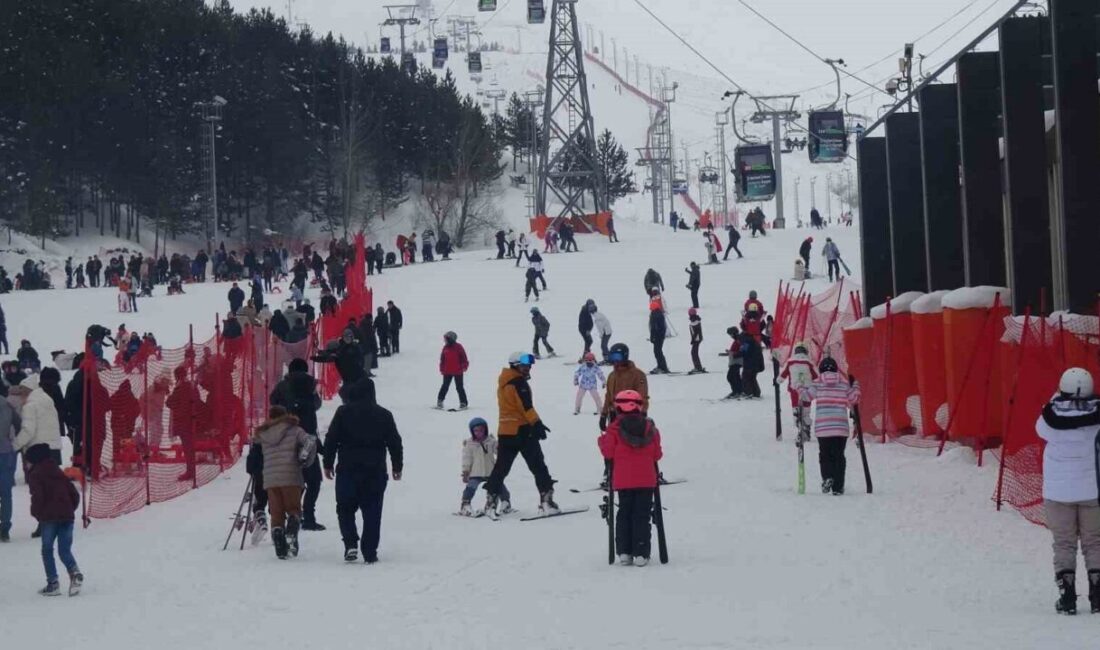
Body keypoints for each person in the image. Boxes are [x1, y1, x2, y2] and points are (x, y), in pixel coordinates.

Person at [1035, 368, 1100, 615]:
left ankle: (1068, 597)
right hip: (1093, 490)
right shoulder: (1096, 420)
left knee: (1064, 543)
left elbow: (1041, 426)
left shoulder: (1048, 421)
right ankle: (1097, 594)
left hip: (1058, 493)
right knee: (1095, 542)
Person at [323, 378, 403, 563]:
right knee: (373, 511)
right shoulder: (384, 415)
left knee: (344, 508)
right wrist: (397, 466)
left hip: (347, 468)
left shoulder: (343, 412)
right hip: (375, 469)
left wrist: (327, 463)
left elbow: (332, 438)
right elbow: (394, 443)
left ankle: (350, 542)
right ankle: (370, 551)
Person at [482, 352, 556, 516]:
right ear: (514, 365)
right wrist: (536, 424)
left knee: (501, 468)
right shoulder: (518, 382)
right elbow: (526, 406)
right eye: (523, 366)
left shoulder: (504, 381)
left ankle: (491, 501)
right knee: (538, 467)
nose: (527, 368)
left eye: (529, 366)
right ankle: (547, 501)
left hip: (505, 432)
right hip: (523, 431)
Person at [598, 389, 663, 567]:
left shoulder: (614, 430)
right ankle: (641, 552)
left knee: (624, 513)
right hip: (646, 479)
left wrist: (601, 441)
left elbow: (608, 453)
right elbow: (657, 455)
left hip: (623, 480)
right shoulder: (651, 429)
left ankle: (624, 552)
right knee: (641, 514)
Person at [270, 359, 325, 531]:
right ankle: (308, 516)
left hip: (285, 439)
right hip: (308, 439)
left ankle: (292, 514)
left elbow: (273, 402)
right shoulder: (310, 384)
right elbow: (317, 404)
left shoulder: (281, 386)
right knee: (314, 480)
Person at [254, 405, 316, 559]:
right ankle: (292, 528)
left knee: (276, 513)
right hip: (291, 476)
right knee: (293, 509)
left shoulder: (263, 434)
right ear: (285, 415)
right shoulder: (294, 430)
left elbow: (254, 455)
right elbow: (310, 441)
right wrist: (304, 458)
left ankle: (279, 540)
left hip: (270, 479)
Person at [25, 444, 82, 595]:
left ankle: (53, 583)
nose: (26, 464)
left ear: (34, 460)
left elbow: (38, 497)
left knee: (47, 550)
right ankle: (75, 573)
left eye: (28, 461)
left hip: (49, 518)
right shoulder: (58, 472)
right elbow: (74, 494)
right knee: (64, 550)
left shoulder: (35, 475)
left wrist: (36, 513)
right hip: (67, 517)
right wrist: (70, 510)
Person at [800, 357, 860, 495]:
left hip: (823, 427)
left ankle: (827, 477)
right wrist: (855, 385)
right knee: (839, 456)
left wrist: (800, 386)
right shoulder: (844, 384)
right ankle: (838, 487)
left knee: (825, 455)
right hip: (840, 427)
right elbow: (854, 399)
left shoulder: (817, 383)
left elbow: (806, 397)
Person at [459, 417, 510, 516]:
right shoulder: (469, 444)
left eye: (481, 430)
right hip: (475, 472)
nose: (479, 433)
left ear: (485, 429)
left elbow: (498, 452)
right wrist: (466, 472)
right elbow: (467, 458)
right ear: (472, 431)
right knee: (471, 487)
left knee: (499, 486)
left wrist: (500, 446)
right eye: (476, 431)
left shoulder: (491, 441)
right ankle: (465, 504)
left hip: (491, 471)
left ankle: (505, 503)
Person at [600, 343, 650, 432]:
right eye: (612, 357)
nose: (615, 360)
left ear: (625, 356)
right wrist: (604, 414)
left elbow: (642, 396)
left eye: (618, 357)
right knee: (613, 441)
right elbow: (608, 396)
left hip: (631, 416)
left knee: (628, 442)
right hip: (613, 415)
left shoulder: (637, 375)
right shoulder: (612, 375)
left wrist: (642, 414)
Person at [780, 342, 817, 433]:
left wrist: (778, 380)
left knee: (795, 405)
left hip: (794, 389)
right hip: (807, 389)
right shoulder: (809, 363)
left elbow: (783, 375)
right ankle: (806, 424)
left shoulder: (790, 362)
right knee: (806, 409)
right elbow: (816, 376)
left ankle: (797, 418)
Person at [0, 392, 20, 542]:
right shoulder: (7, 404)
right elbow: (19, 425)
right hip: (6, 452)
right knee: (6, 493)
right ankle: (5, 529)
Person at [437, 331, 469, 410]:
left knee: (459, 387)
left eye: (446, 339)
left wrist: (464, 366)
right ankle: (440, 401)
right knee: (444, 386)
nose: (445, 340)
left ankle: (463, 403)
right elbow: (442, 359)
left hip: (458, 371)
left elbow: (464, 359)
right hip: (447, 372)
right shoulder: (445, 348)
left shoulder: (459, 347)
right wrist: (441, 368)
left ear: (451, 339)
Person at [739, 330, 764, 398]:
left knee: (746, 378)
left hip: (750, 364)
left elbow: (743, 352)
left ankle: (749, 392)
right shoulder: (754, 341)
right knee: (752, 378)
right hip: (756, 364)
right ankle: (756, 392)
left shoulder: (747, 342)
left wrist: (738, 352)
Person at [648, 299, 670, 375]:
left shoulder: (655, 315)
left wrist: (653, 336)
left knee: (657, 351)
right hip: (660, 336)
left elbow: (654, 328)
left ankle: (662, 367)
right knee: (658, 351)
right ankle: (662, 366)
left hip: (658, 337)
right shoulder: (658, 314)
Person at [724, 326, 744, 399]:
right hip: (735, 360)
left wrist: (733, 353)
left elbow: (742, 350)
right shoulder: (737, 339)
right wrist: (730, 352)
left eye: (731, 334)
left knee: (730, 377)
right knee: (736, 376)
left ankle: (736, 391)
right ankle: (739, 391)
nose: (730, 336)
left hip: (736, 361)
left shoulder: (739, 340)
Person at [687, 308, 705, 374]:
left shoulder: (695, 321)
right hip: (697, 339)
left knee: (694, 353)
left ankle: (698, 367)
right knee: (694, 353)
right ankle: (698, 367)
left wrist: (693, 339)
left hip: (696, 340)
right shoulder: (695, 320)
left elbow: (696, 331)